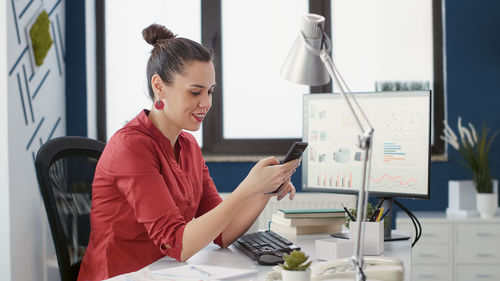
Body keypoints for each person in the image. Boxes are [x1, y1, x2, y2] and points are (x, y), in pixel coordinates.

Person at [77, 24, 300, 281]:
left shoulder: (188, 146)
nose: (206, 103)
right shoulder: (130, 147)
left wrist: (263, 190)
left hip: (163, 273)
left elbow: (223, 233)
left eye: (210, 91)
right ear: (159, 87)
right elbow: (177, 244)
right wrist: (247, 189)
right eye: (195, 92)